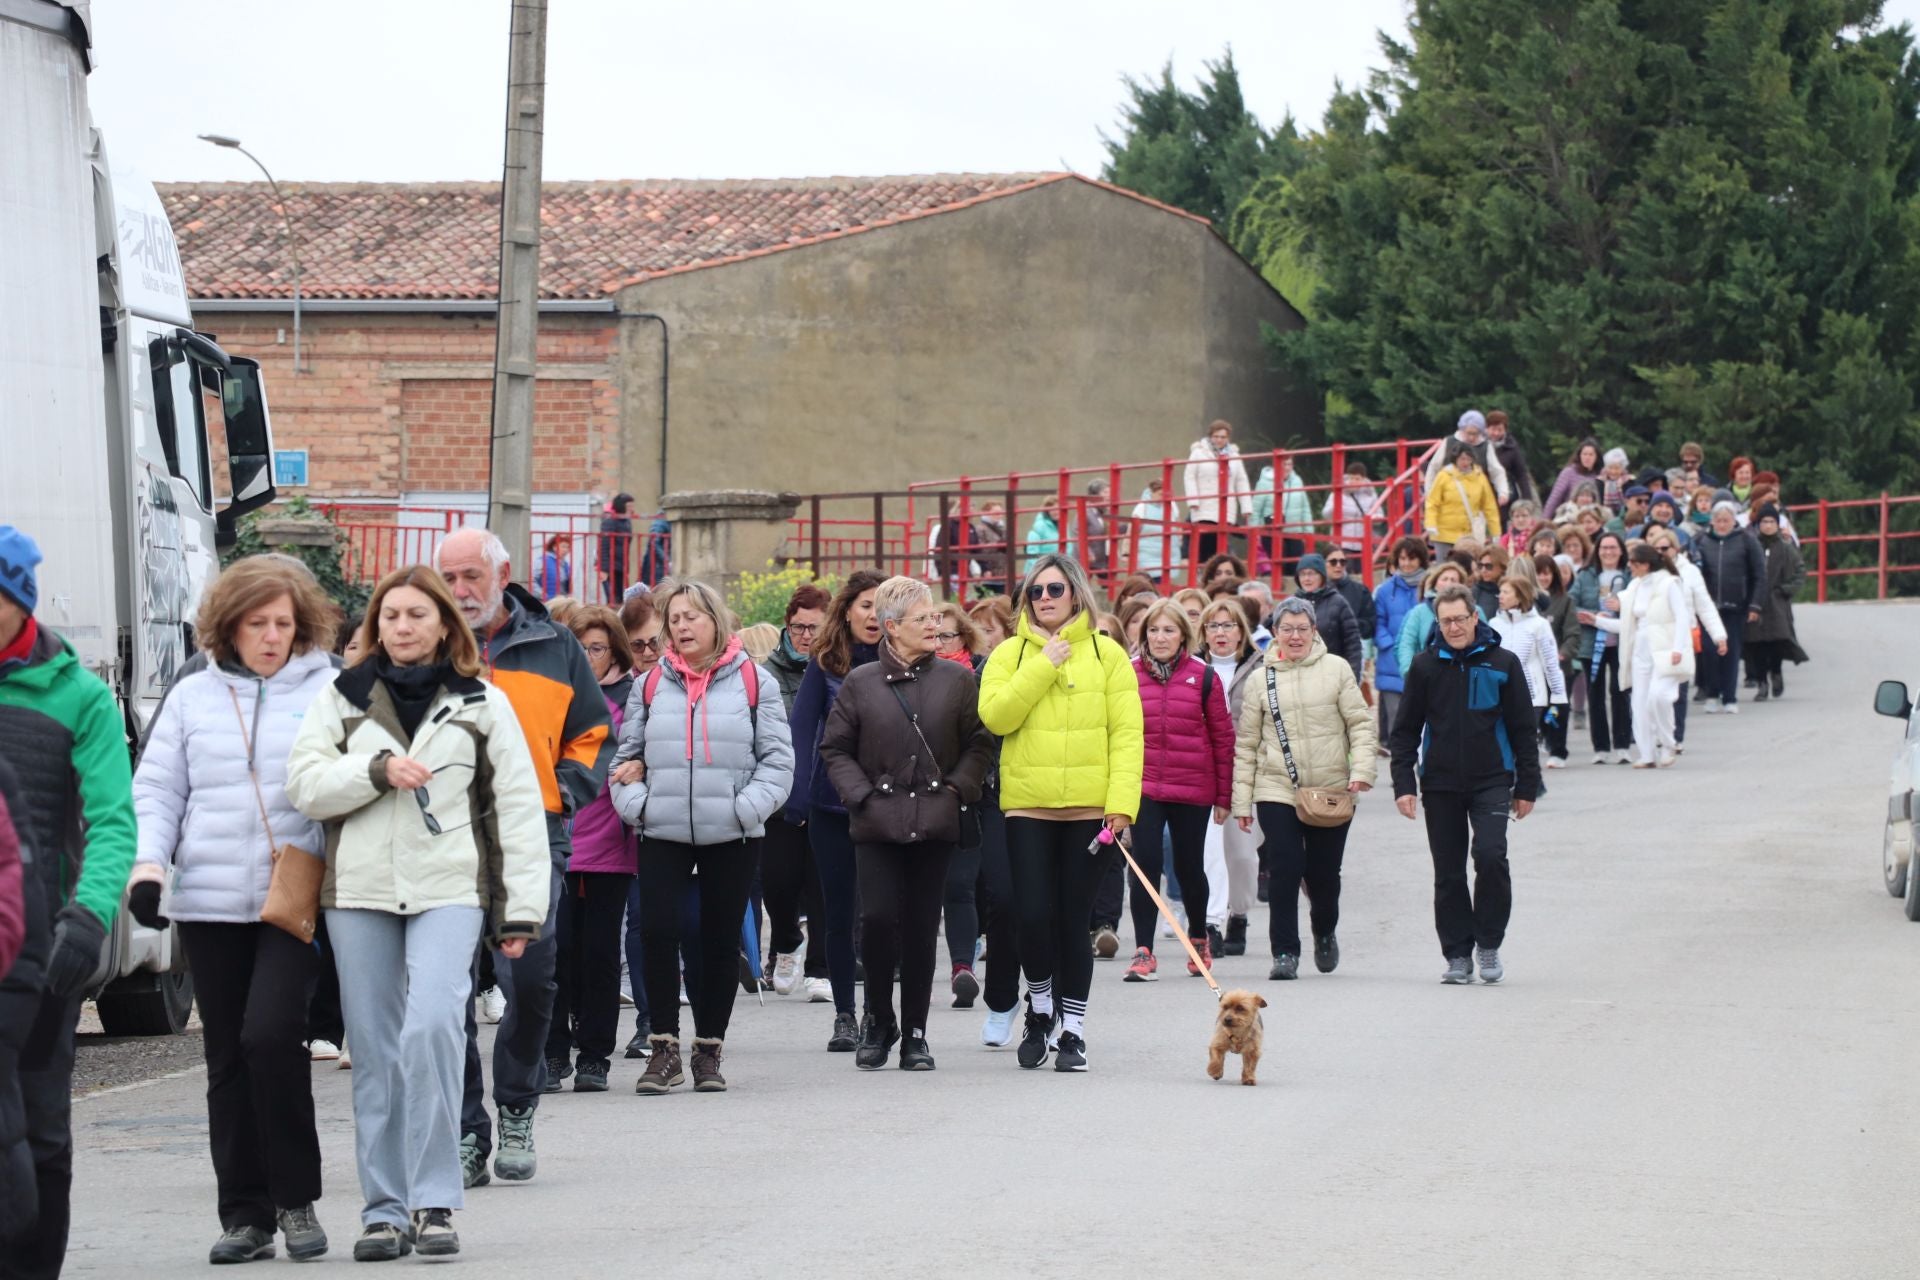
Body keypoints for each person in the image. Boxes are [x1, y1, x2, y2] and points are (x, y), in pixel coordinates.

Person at [286, 566, 551, 1262]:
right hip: (359, 893)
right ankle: (383, 1210)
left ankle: (436, 1200)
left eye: (416, 615)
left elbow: (518, 811)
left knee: (433, 1027)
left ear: (444, 625)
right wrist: (373, 772)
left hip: (449, 890)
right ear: (375, 625)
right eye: (390, 616)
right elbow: (305, 785)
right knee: (373, 1051)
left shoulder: (481, 702)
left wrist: (518, 913)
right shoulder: (339, 697)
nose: (402, 628)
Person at [127, 558, 339, 1264]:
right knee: (226, 1056)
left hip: (292, 897)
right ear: (229, 626)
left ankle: (296, 1198)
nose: (272, 637)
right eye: (257, 624)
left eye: (283, 623)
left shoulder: (330, 689)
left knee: (273, 1036)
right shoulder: (192, 696)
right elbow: (158, 790)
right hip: (209, 901)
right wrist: (150, 868)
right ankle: (245, 1214)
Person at [436, 527, 611, 1187]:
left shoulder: (555, 645)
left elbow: (595, 735)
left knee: (531, 980)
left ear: (503, 572)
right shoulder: (428, 644)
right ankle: (465, 1129)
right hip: (446, 838)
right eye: (448, 578)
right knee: (446, 990)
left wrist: (560, 794)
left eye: (470, 576)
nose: (459, 591)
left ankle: (516, 1104)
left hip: (533, 834)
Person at [0, 526, 137, 1279]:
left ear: (19, 601)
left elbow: (113, 820)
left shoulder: (78, 695)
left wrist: (87, 916)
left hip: (36, 946)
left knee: (38, 1128)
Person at [608, 582, 794, 1093]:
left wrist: (745, 809)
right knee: (658, 932)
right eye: (674, 619)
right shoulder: (649, 685)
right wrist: (637, 806)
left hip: (732, 833)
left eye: (693, 616)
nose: (682, 627)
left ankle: (709, 1049)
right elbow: (624, 760)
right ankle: (663, 1048)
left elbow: (778, 762)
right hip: (662, 828)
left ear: (716, 620)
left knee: (717, 940)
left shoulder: (756, 682)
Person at [816, 579, 991, 1070]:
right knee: (874, 922)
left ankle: (915, 1031)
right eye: (924, 618)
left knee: (918, 926)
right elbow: (834, 747)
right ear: (892, 628)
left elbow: (979, 744)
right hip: (876, 820)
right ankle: (878, 1018)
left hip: (934, 820)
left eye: (935, 616)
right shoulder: (861, 681)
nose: (936, 625)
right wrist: (862, 797)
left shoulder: (957, 681)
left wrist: (957, 789)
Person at [978, 553, 1142, 1072]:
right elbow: (996, 717)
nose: (1045, 599)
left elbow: (1127, 736)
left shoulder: (1109, 656)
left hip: (1091, 808)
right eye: (1035, 592)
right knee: (1030, 915)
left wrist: (1122, 806)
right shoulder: (1008, 655)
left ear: (1075, 593)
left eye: (1054, 589)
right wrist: (1044, 665)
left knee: (1073, 921)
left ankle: (1073, 1029)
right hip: (1028, 805)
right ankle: (1040, 1007)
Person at [1388, 585, 1540, 984]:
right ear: (1437, 623)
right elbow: (1403, 732)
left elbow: (1524, 728)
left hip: (1491, 778)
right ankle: (1457, 954)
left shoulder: (1503, 663)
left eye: (1460, 618)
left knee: (1490, 857)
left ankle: (1488, 944)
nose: (1453, 627)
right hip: (1439, 783)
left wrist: (1527, 785)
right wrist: (1404, 784)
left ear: (1476, 617)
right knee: (1449, 872)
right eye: (1445, 621)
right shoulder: (1424, 667)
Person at [1233, 597, 1377, 979]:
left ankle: (1324, 930)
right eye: (1286, 629)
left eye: (1302, 628)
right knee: (1284, 866)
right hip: (1276, 785)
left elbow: (1360, 725)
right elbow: (1246, 744)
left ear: (1314, 631)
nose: (1294, 636)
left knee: (1323, 874)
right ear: (1275, 633)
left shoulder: (1337, 670)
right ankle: (1284, 952)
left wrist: (1361, 770)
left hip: (1331, 786)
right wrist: (1242, 801)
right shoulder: (1261, 678)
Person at [786, 571, 887, 1052]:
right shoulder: (824, 665)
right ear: (846, 611)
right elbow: (801, 731)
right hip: (831, 807)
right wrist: (796, 797)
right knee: (839, 914)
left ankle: (878, 1011)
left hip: (889, 809)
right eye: (865, 605)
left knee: (882, 916)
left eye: (881, 606)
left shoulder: (904, 663)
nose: (873, 615)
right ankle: (846, 1015)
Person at [541, 605, 639, 1096]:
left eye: (597, 647)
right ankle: (554, 1050)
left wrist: (639, 767)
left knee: (600, 955)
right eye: (578, 646)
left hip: (610, 848)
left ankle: (595, 1055)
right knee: (555, 953)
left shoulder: (632, 698)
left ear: (613, 651)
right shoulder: (553, 696)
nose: (586, 656)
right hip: (555, 843)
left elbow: (646, 752)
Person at [1119, 600, 1232, 982]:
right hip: (1144, 784)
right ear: (1143, 635)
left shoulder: (1203, 677)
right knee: (1145, 865)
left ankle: (1198, 936)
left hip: (1193, 785)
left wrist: (1224, 797)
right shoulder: (1128, 674)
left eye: (1168, 630)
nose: (1160, 637)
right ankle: (1143, 950)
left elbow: (1222, 738)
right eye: (1153, 630)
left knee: (1187, 867)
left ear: (1183, 634)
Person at [761, 585, 831, 1002]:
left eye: (814, 627)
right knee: (778, 884)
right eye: (797, 627)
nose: (805, 635)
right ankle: (787, 941)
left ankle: (821, 969)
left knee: (822, 884)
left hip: (825, 789)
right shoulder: (766, 673)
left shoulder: (837, 669)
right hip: (781, 796)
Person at [1195, 598, 1265, 954]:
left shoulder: (1260, 668)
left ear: (1242, 631)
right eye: (1213, 626)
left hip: (1245, 771)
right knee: (1209, 851)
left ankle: (1239, 912)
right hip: (1202, 770)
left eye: (1228, 626)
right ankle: (1212, 923)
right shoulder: (1191, 668)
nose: (1220, 633)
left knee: (1241, 855)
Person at [1588, 545, 1692, 767]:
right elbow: (1625, 625)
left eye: (1633, 564)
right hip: (1639, 650)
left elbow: (1682, 616)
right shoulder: (1634, 587)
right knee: (1640, 703)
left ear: (1645, 564)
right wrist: (1597, 621)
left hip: (1664, 649)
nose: (1630, 568)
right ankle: (1646, 753)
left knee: (1659, 696)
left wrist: (1678, 648)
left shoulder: (1669, 583)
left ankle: (1667, 743)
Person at [616, 591, 665, 1055]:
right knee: (639, 924)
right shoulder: (622, 688)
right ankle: (648, 1020)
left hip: (684, 816)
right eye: (638, 645)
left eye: (655, 642)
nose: (648, 653)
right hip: (631, 819)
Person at [1645, 525, 1728, 748]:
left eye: (1665, 548)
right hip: (1655, 639)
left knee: (1677, 690)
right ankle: (1656, 734)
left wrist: (1719, 635)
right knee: (1654, 691)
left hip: (1683, 637)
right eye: (1656, 548)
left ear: (1676, 548)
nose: (1661, 552)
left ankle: (1675, 737)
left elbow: (1705, 605)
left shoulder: (1689, 571)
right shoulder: (1647, 575)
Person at [1488, 576, 1568, 769]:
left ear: (1520, 596)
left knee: (1524, 740)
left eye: (1506, 592)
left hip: (1532, 695)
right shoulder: (1494, 623)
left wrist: (1558, 695)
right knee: (1503, 740)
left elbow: (1550, 662)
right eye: (1501, 591)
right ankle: (1509, 781)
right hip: (1501, 694)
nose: (1501, 596)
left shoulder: (1539, 624)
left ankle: (1529, 781)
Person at [1694, 502, 1764, 714]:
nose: (1722, 524)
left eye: (1727, 520)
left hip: (1736, 607)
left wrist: (1754, 604)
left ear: (1734, 521)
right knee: (1709, 651)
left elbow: (1759, 574)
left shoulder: (1746, 541)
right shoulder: (1701, 541)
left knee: (1731, 652)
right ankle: (1712, 694)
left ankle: (1730, 697)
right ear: (1712, 521)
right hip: (1707, 608)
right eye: (1718, 520)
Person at [1573, 532, 1634, 763]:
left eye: (1613, 548)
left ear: (1621, 551)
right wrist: (1589, 615)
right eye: (1604, 548)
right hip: (1592, 643)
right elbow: (1572, 603)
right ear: (1597, 551)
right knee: (1595, 695)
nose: (1608, 552)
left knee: (1620, 693)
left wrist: (1621, 606)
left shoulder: (1629, 576)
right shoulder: (1586, 576)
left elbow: (1638, 604)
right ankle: (1600, 747)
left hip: (1620, 642)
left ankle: (1622, 744)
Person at [1372, 537, 1430, 747]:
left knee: (1424, 720)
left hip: (1423, 658)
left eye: (1411, 558)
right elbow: (1377, 621)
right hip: (1390, 664)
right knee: (1396, 723)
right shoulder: (1385, 590)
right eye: (1402, 558)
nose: (1406, 564)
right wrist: (1388, 645)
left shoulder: (1430, 587)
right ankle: (1400, 771)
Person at [1746, 506, 1807, 701]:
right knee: (1756, 643)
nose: (1768, 525)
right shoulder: (1751, 545)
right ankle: (1762, 682)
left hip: (1777, 601)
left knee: (1776, 640)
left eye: (1772, 522)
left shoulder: (1785, 547)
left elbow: (1799, 571)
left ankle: (1776, 672)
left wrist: (1784, 590)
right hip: (1755, 601)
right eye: (1764, 522)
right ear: (1758, 524)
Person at [1184, 420, 1254, 563]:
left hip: (1226, 507)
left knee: (1219, 544)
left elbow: (1241, 481)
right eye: (1216, 436)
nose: (1219, 440)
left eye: (1223, 437)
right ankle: (1202, 574)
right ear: (1210, 436)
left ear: (1228, 438)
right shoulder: (1198, 453)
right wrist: (1193, 501)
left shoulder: (1234, 456)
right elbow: (1189, 476)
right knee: (1204, 543)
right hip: (1204, 506)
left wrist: (1246, 507)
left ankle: (1216, 576)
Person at [1395, 561, 1478, 678]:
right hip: (1427, 674)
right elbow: (1406, 645)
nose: (1448, 583)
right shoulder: (1419, 611)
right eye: (1444, 579)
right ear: (1435, 583)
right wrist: (1410, 673)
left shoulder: (1474, 609)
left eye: (1453, 580)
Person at [1289, 553, 1364, 680]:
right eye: (1302, 574)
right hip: (1298, 676)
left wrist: (1352, 678)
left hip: (1332, 675)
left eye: (1311, 573)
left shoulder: (1338, 602)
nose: (1307, 578)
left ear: (1322, 576)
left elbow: (1353, 644)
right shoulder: (1290, 604)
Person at [1425, 440, 1502, 554]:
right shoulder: (1444, 476)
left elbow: (1489, 506)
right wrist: (1431, 524)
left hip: (1469, 535)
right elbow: (1432, 502)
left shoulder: (1480, 477)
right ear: (1455, 459)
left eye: (1468, 459)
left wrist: (1495, 531)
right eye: (1462, 458)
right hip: (1444, 533)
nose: (1465, 462)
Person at [1421, 410, 1512, 505]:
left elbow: (1497, 472)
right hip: (1448, 498)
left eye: (1475, 434)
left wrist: (1503, 493)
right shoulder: (1448, 442)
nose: (1471, 438)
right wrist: (1430, 492)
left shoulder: (1485, 446)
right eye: (1469, 433)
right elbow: (1433, 468)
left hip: (1475, 499)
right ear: (1462, 429)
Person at [1253, 453, 1315, 581]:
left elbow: (1305, 509)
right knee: (1276, 568)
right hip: (1271, 532)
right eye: (1284, 464)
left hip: (1294, 532)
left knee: (1295, 568)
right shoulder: (1265, 483)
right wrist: (1256, 533)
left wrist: (1309, 532)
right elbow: (1256, 509)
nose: (1287, 468)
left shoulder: (1297, 481)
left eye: (1290, 464)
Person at [1322, 461, 1379, 555]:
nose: (1354, 482)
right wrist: (1335, 508)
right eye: (1351, 478)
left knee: (1362, 569)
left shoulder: (1370, 494)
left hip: (1363, 543)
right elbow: (1325, 514)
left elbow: (1380, 516)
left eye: (1357, 479)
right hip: (1342, 543)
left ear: (1364, 479)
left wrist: (1369, 518)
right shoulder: (1338, 492)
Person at [1128, 481, 1179, 583]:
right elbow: (1131, 532)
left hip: (1167, 556)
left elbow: (1177, 528)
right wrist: (1126, 552)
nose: (1162, 497)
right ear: (1152, 493)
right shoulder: (1142, 508)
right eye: (1160, 494)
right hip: (1147, 556)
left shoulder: (1172, 508)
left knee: (1165, 585)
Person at [1485, 410, 1535, 511]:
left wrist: (1527, 499)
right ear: (1486, 428)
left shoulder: (1512, 447)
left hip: (1504, 495)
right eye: (1493, 429)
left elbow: (1521, 474)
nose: (1496, 433)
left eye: (1500, 430)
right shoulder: (1478, 444)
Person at [1544, 438, 1604, 521]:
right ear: (1579, 455)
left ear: (1597, 457)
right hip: (1569, 517)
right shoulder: (1569, 472)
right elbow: (1555, 498)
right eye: (1585, 454)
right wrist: (1545, 520)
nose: (1587, 458)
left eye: (1591, 455)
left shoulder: (1600, 475)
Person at [598, 493, 636, 603]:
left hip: (621, 565)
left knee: (621, 598)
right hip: (610, 566)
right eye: (629, 506)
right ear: (621, 506)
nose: (632, 509)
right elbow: (604, 545)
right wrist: (604, 569)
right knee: (613, 600)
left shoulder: (626, 521)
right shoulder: (610, 521)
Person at [1472, 544, 1510, 620]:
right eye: (1480, 566)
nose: (1483, 570)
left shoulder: (1510, 591)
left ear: (1502, 567)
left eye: (1488, 566)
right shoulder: (1474, 591)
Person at [1084, 479, 1112, 577]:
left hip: (1101, 561)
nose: (1109, 496)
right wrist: (1088, 553)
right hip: (1088, 561)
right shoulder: (1086, 512)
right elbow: (1078, 533)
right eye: (1105, 492)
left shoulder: (1103, 513)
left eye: (1110, 492)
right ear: (1094, 496)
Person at [538, 534, 573, 600]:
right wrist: (543, 595)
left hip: (563, 602)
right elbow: (532, 580)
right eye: (563, 547)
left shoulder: (566, 565)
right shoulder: (542, 561)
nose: (566, 550)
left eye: (568, 547)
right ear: (554, 547)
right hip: (546, 602)